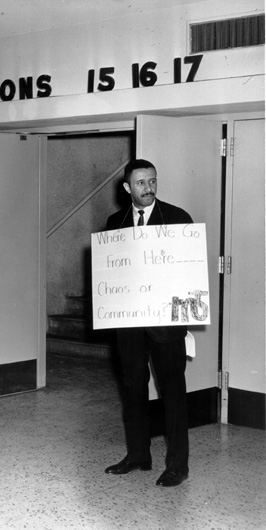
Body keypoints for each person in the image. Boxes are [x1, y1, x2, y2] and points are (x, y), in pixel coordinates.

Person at [104, 159, 193, 487]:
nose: (148, 188)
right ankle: (138, 455)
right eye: (140, 183)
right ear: (127, 188)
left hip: (166, 324)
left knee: (173, 391)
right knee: (133, 389)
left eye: (152, 181)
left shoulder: (178, 219)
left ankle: (178, 465)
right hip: (128, 324)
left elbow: (189, 271)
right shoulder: (115, 222)